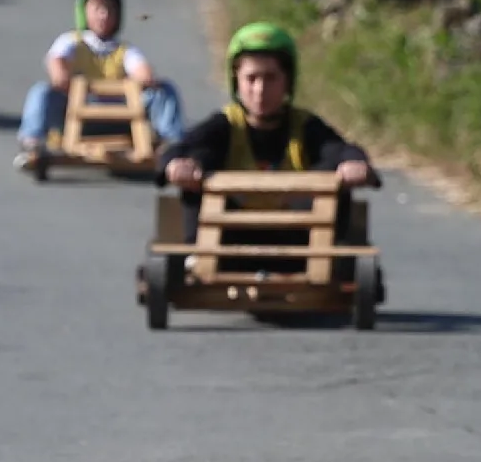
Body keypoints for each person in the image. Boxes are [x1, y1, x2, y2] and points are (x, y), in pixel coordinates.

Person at [156, 22, 383, 289]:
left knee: (334, 182)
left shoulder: (305, 126)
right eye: (251, 79)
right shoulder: (226, 124)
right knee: (198, 168)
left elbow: (340, 149)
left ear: (287, 80)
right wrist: (178, 165)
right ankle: (195, 260)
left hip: (298, 244)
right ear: (236, 82)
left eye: (270, 78)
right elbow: (181, 148)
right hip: (231, 243)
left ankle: (335, 264)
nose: (260, 90)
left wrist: (353, 165)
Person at [14, 0, 185, 169]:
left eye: (110, 10)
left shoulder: (124, 50)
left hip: (120, 116)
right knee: (41, 92)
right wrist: (60, 74)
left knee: (164, 90)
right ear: (84, 12)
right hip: (75, 115)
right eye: (98, 9)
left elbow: (141, 68)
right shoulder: (72, 41)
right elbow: (56, 59)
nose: (104, 15)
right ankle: (32, 143)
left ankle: (172, 143)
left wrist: (145, 78)